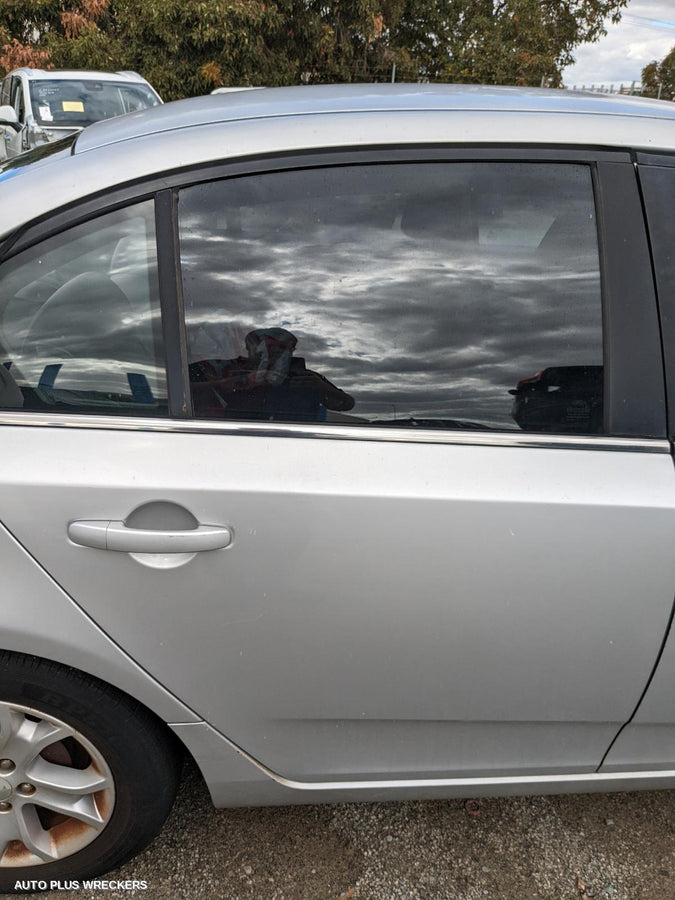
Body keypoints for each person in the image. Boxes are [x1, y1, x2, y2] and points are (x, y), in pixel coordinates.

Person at [189, 327, 355, 421]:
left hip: (298, 450)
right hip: (235, 444)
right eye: (266, 348)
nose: (273, 353)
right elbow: (177, 387)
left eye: (281, 349)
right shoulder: (224, 369)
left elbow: (347, 404)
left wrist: (322, 388)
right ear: (249, 348)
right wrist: (224, 384)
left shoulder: (305, 377)